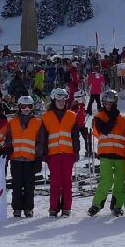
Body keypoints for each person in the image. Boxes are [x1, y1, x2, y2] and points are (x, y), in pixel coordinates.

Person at [41, 87, 84, 217]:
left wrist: (76, 151)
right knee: (55, 182)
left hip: (68, 154)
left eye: (63, 100)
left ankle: (66, 208)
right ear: (53, 100)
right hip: (53, 154)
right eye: (58, 100)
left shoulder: (71, 116)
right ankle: (53, 208)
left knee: (67, 182)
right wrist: (44, 153)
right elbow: (43, 137)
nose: (61, 102)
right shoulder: (46, 116)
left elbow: (75, 135)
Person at [87, 90, 125, 216]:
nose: (108, 105)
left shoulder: (123, 119)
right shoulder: (99, 117)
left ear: (115, 102)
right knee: (106, 180)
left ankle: (117, 206)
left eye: (111, 103)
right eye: (106, 103)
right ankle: (96, 205)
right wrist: (111, 119)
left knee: (120, 182)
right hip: (106, 154)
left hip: (121, 155)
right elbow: (99, 132)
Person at [3, 95, 46, 217]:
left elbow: (40, 142)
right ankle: (17, 208)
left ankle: (28, 208)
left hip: (30, 159)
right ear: (19, 107)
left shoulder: (38, 122)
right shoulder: (12, 122)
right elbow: (8, 138)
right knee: (16, 184)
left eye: (29, 106)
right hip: (16, 158)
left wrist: (38, 158)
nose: (26, 109)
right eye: (23, 106)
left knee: (29, 185)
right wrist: (8, 149)